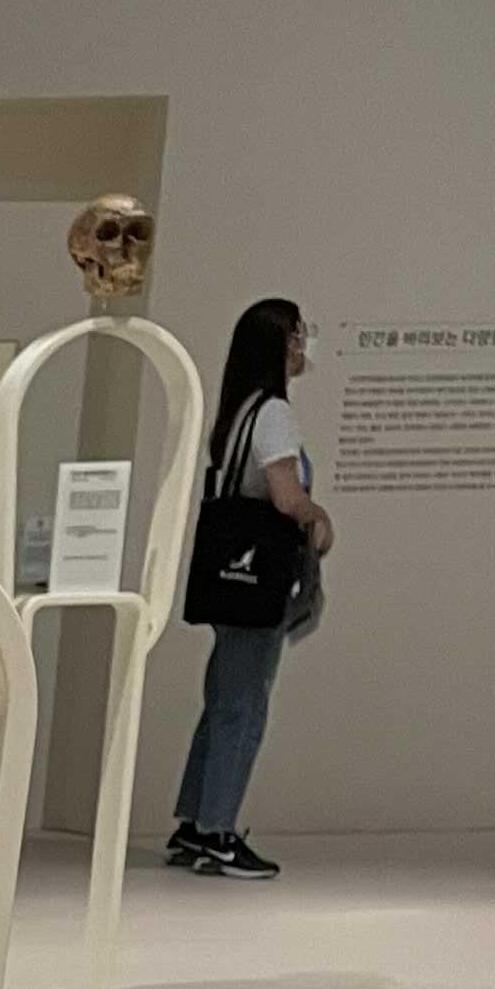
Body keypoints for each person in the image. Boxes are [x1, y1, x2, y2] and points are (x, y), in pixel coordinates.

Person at [169, 295, 332, 882]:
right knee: (244, 706)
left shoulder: (240, 410)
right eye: (297, 334)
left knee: (224, 701)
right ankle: (218, 830)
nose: (304, 344)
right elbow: (285, 497)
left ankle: (195, 822)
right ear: (278, 344)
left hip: (229, 577)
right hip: (258, 578)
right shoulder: (275, 414)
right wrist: (319, 517)